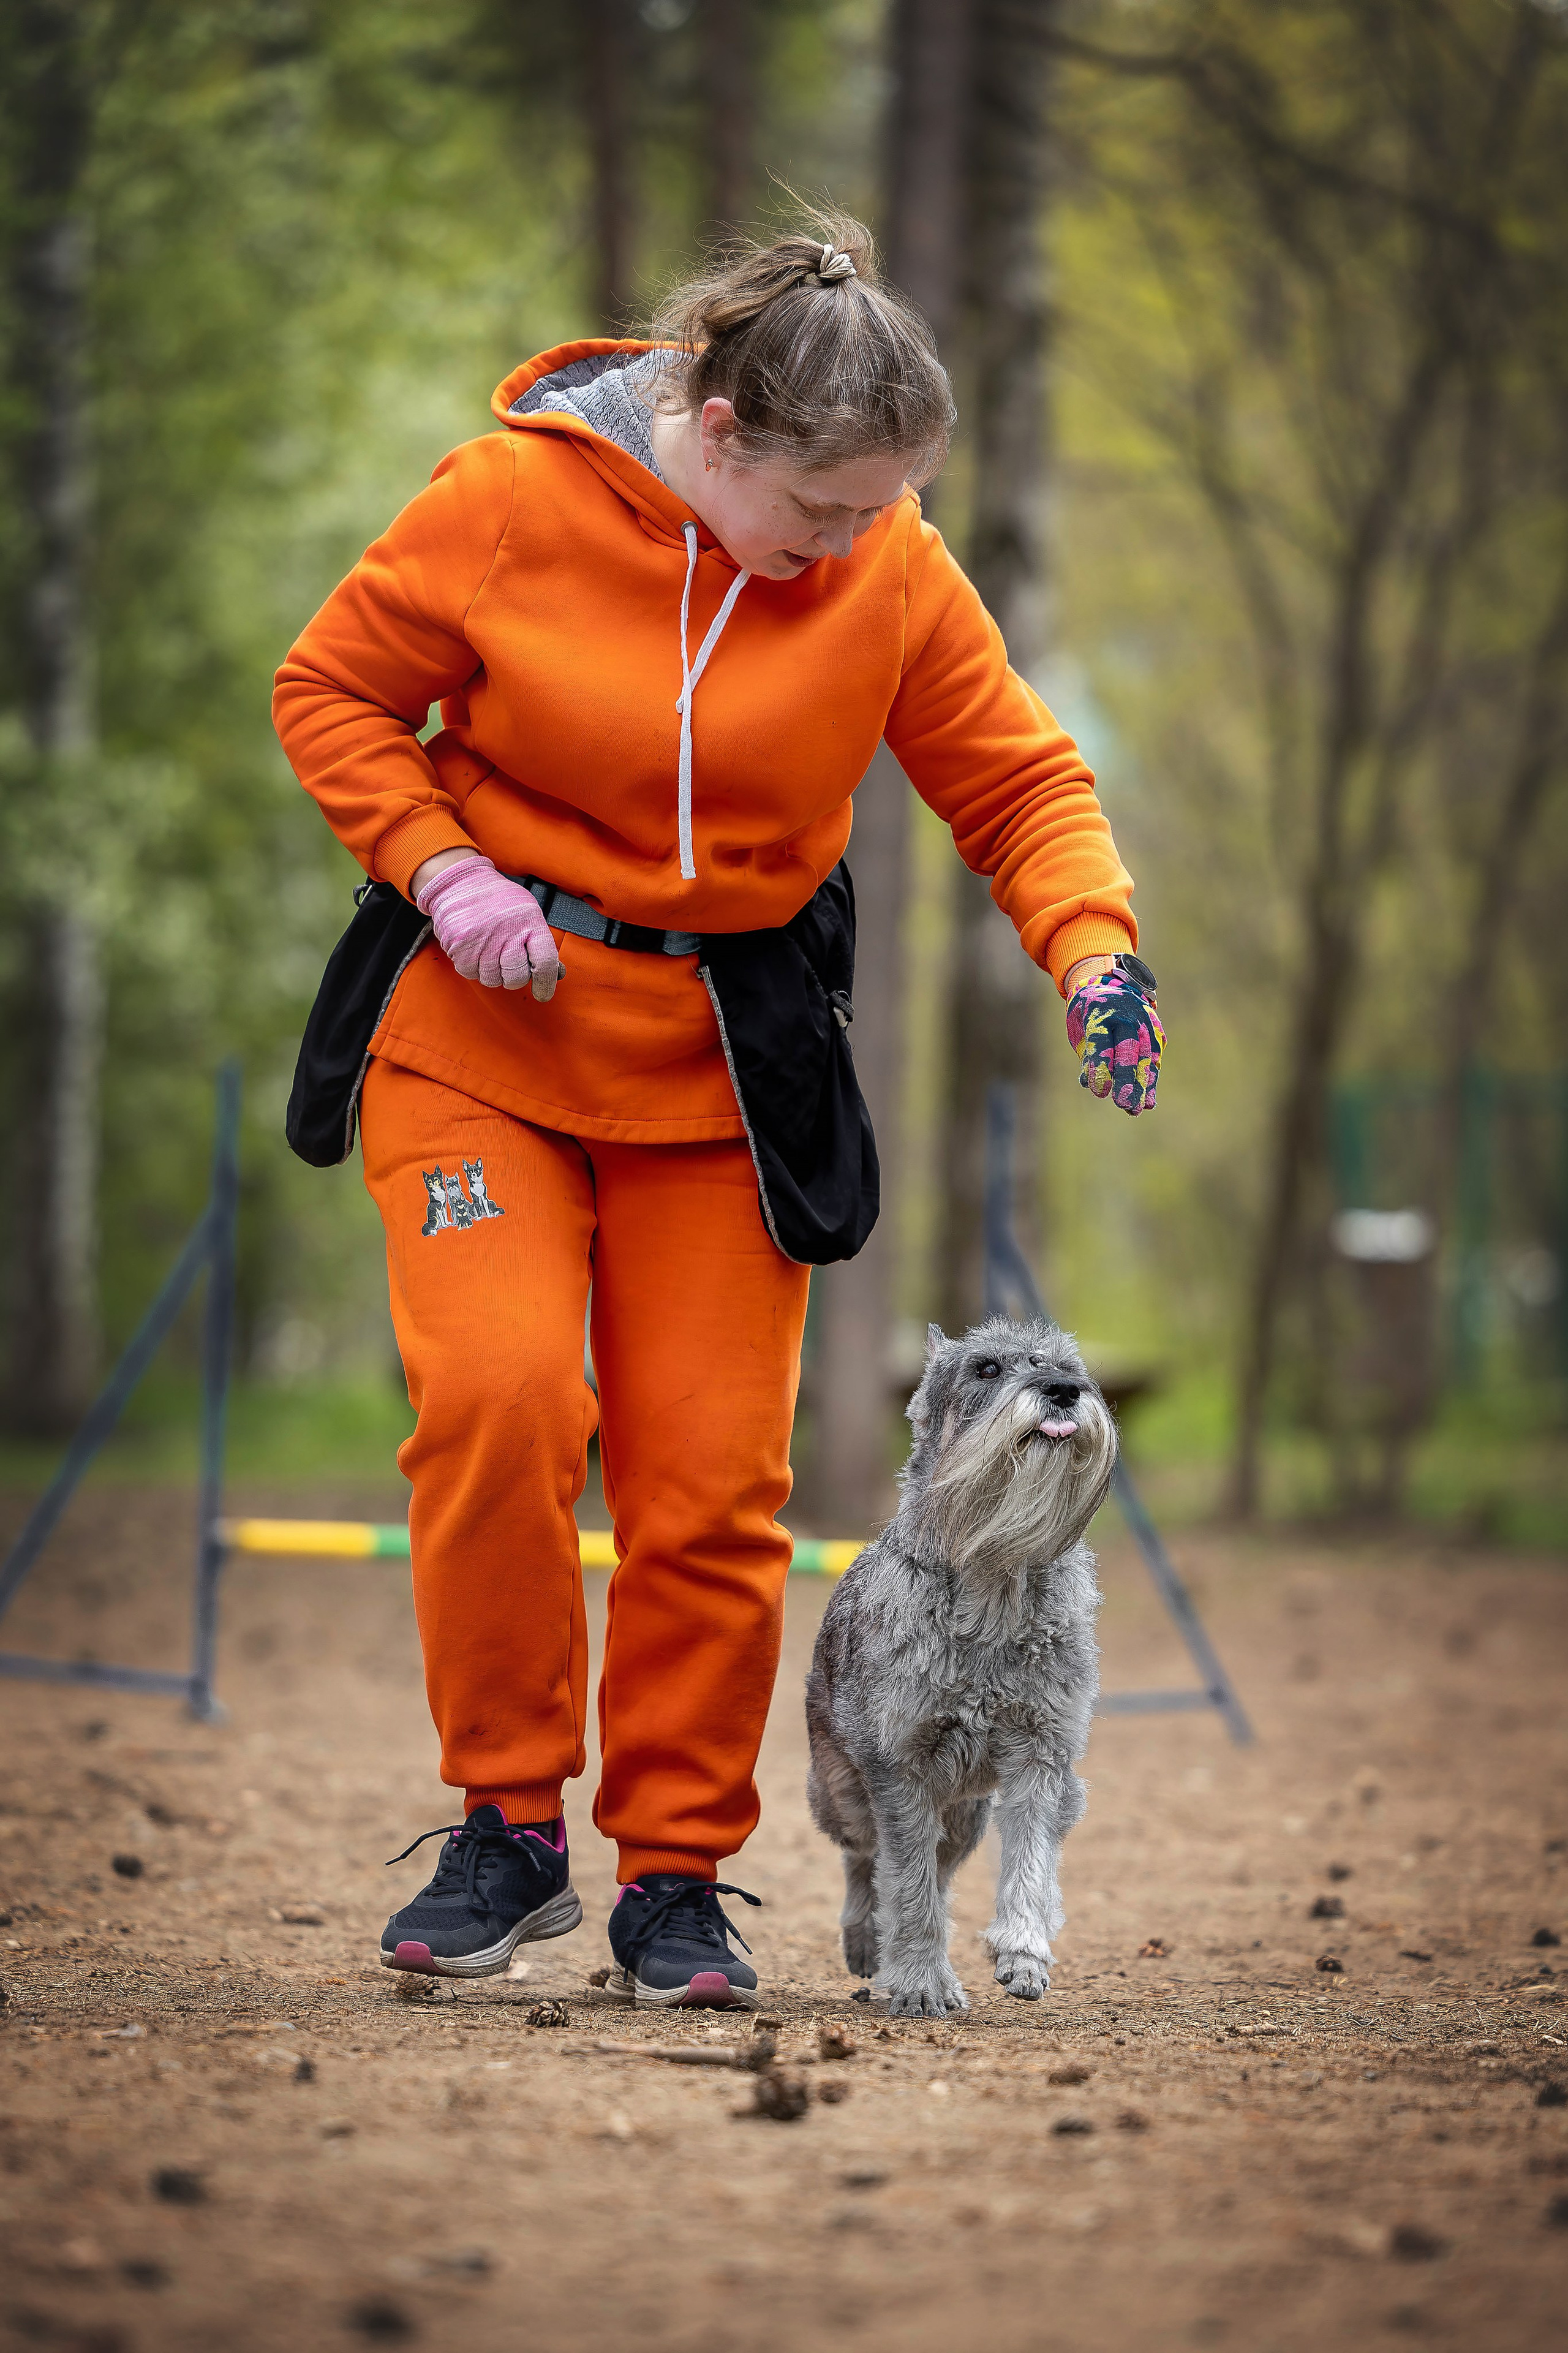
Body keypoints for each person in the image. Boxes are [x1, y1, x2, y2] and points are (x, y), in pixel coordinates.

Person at [273, 212, 1162, 2011]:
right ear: (720, 428)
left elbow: (1017, 775)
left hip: (720, 1068)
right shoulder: (510, 501)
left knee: (710, 1483)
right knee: (504, 1398)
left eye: (880, 514)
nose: (850, 547)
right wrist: (443, 869)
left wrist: (1094, 951)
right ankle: (506, 1823)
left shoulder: (887, 562)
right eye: (824, 512)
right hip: (483, 1029)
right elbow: (332, 690)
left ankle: (674, 1872)